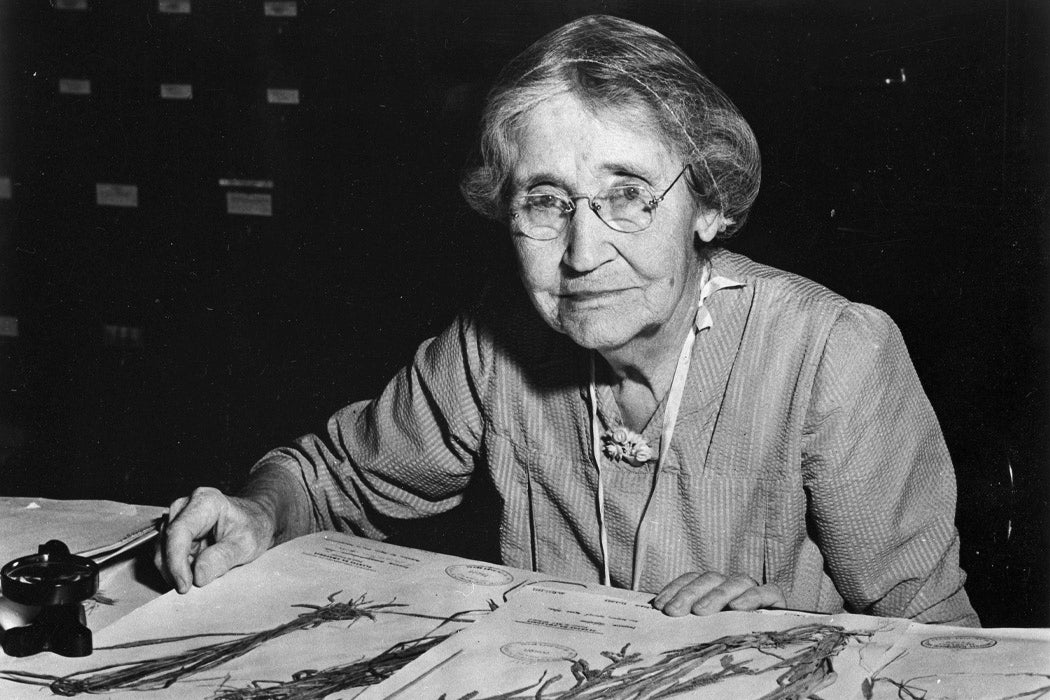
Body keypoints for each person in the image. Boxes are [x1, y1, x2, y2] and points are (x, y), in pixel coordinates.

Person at [156, 15, 979, 626]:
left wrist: (802, 638)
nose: (583, 253)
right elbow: (330, 479)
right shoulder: (491, 345)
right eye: (545, 201)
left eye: (627, 195)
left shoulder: (830, 353)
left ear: (709, 203)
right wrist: (258, 510)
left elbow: (942, 648)